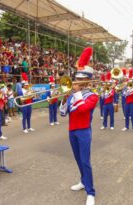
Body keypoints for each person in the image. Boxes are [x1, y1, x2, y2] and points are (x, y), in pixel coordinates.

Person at [59, 47, 98, 205]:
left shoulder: (93, 96)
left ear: (86, 81)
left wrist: (75, 93)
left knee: (85, 161)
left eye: (79, 80)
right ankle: (83, 182)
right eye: (76, 79)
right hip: (72, 132)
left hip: (83, 132)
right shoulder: (72, 95)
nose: (75, 83)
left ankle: (91, 192)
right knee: (78, 160)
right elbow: (63, 113)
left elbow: (82, 109)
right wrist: (63, 98)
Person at [122, 68, 133, 132]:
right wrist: (126, 91)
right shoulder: (125, 87)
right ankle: (126, 126)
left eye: (131, 81)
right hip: (126, 103)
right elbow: (123, 94)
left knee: (132, 115)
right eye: (129, 81)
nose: (130, 82)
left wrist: (132, 91)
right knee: (126, 115)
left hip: (132, 103)